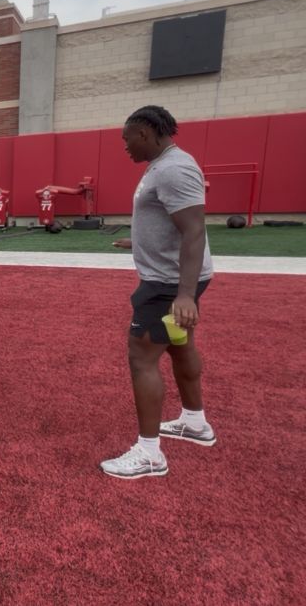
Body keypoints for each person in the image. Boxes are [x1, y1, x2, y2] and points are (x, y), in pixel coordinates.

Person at [101, 105, 216, 480]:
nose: (125, 147)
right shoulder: (165, 165)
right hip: (170, 279)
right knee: (180, 345)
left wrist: (183, 294)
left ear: (146, 134)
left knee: (142, 357)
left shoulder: (173, 169)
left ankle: (149, 454)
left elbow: (193, 230)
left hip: (168, 284)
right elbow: (167, 222)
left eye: (127, 139)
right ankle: (195, 422)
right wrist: (136, 243)